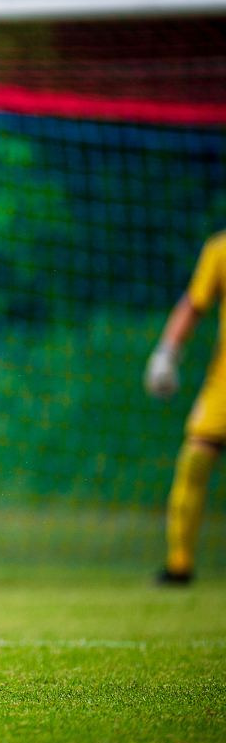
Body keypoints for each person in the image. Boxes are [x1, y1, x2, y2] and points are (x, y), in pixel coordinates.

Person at [144, 231, 226, 585]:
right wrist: (166, 353)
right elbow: (194, 304)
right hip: (224, 384)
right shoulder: (220, 250)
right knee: (195, 459)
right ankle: (180, 564)